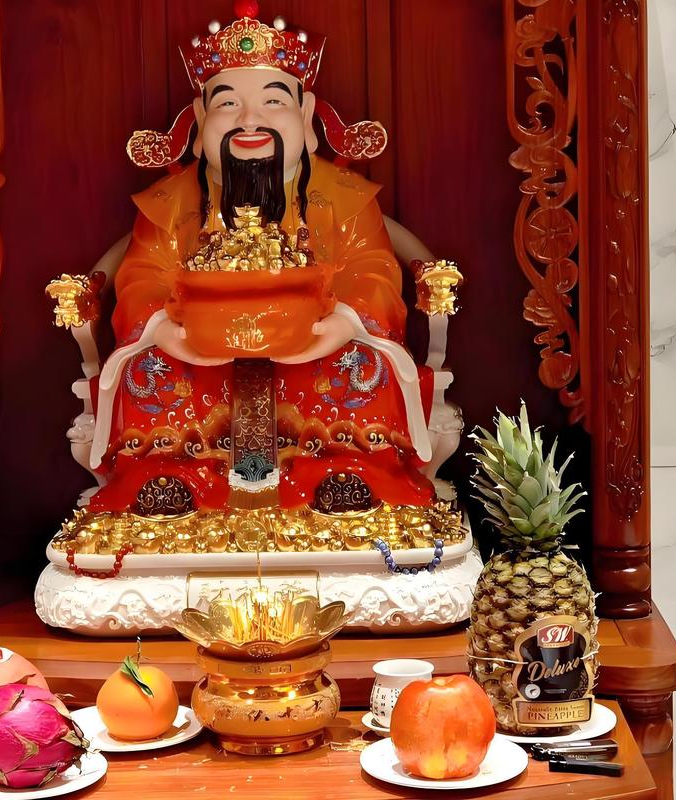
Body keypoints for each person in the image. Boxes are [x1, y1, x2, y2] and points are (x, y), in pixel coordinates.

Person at [75, 3, 441, 526]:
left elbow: (372, 270)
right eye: (228, 104)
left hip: (313, 343)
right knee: (149, 367)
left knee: (362, 364)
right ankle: (171, 475)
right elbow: (142, 276)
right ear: (201, 121)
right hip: (199, 349)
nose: (250, 120)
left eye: (273, 101)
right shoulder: (170, 203)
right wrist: (165, 330)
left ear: (306, 118)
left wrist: (342, 324)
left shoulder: (343, 196)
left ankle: (345, 469)